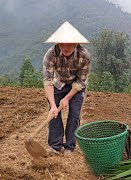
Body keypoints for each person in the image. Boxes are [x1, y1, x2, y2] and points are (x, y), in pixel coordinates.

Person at [43, 21, 91, 155]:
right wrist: (53, 105)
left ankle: (70, 146)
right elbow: (48, 81)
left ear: (76, 43)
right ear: (57, 43)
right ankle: (55, 146)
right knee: (54, 114)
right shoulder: (50, 55)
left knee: (74, 115)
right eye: (62, 43)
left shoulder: (84, 56)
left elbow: (81, 81)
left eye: (69, 43)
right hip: (58, 83)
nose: (65, 47)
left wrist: (67, 98)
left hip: (76, 85)